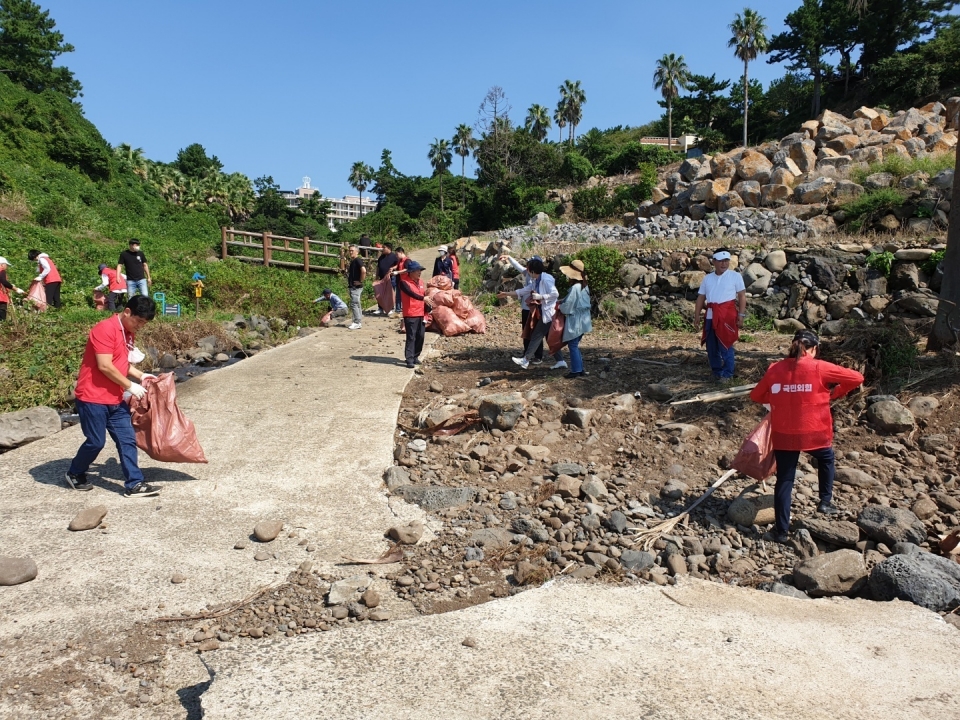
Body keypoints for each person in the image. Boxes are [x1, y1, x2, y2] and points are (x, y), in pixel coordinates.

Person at [749, 330, 864, 543]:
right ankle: (825, 502)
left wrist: (779, 397)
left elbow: (756, 395)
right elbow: (857, 377)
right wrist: (834, 393)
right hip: (814, 432)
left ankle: (781, 531)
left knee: (785, 479)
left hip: (784, 433)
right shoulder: (820, 367)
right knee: (826, 459)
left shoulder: (775, 368)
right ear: (813, 349)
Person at [65, 295, 162, 498]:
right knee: (96, 442)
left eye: (144, 323)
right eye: (139, 321)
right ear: (127, 312)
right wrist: (130, 386)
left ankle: (134, 484)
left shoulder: (128, 332)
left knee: (127, 439)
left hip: (115, 398)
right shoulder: (105, 329)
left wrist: (142, 375)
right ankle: (74, 472)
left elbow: (120, 363)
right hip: (92, 397)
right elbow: (104, 365)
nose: (141, 326)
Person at [498, 258, 565, 371]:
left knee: (536, 336)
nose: (527, 272)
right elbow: (524, 291)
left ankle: (526, 360)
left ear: (533, 271)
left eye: (529, 270)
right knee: (549, 338)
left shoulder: (546, 280)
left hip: (549, 314)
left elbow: (555, 293)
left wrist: (541, 297)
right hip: (544, 313)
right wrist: (507, 294)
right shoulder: (536, 280)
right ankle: (560, 361)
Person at [693, 249, 746, 381]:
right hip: (711, 314)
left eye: (726, 261)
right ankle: (716, 372)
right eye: (721, 261)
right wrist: (697, 315)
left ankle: (728, 373)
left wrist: (741, 315)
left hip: (727, 313)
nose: (724, 264)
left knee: (725, 344)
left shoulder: (735, 276)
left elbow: (742, 296)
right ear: (714, 262)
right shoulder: (708, 278)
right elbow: (701, 297)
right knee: (711, 346)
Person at [499, 254, 545, 364]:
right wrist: (509, 257)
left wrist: (507, 294)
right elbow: (517, 266)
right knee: (526, 331)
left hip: (534, 308)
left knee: (536, 332)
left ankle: (538, 356)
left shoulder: (540, 278)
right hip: (525, 308)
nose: (528, 266)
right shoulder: (527, 273)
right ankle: (526, 354)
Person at [557, 259, 592, 379]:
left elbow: (567, 307)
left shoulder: (575, 288)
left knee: (573, 345)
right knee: (575, 344)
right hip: (584, 319)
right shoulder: (584, 286)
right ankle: (580, 369)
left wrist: (560, 306)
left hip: (576, 320)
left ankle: (576, 370)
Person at [397, 260, 432, 368]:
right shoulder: (404, 283)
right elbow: (411, 294)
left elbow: (423, 296)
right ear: (411, 272)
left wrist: (427, 306)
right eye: (417, 270)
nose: (419, 272)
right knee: (411, 337)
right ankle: (409, 359)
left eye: (420, 270)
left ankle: (416, 355)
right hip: (410, 313)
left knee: (420, 336)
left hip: (421, 313)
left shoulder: (421, 282)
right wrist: (423, 298)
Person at [374, 243, 399, 316]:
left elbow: (398, 265)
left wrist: (393, 268)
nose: (382, 249)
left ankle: (391, 308)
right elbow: (378, 267)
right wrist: (376, 277)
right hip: (381, 278)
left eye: (384, 247)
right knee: (380, 293)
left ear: (389, 248)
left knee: (390, 293)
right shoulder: (381, 257)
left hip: (391, 278)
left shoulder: (394, 257)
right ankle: (380, 308)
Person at [346, 244, 366, 330]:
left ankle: (356, 322)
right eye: (349, 250)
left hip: (356, 287)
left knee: (354, 304)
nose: (350, 252)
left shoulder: (358, 260)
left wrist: (360, 281)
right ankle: (358, 321)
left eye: (352, 251)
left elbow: (364, 271)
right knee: (357, 304)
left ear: (357, 252)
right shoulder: (353, 261)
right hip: (353, 286)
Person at [0, 256, 26, 321]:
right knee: (2, 314)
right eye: (6, 265)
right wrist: (15, 289)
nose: (7, 267)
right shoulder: (1, 271)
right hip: (0, 296)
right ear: (2, 264)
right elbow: (3, 281)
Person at [393, 246, 408, 314]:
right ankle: (398, 309)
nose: (396, 256)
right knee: (398, 295)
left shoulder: (407, 260)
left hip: (406, 281)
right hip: (400, 281)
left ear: (401, 252)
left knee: (405, 296)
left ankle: (405, 309)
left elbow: (407, 269)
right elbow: (398, 266)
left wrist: (397, 272)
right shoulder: (400, 261)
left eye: (397, 254)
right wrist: (393, 269)